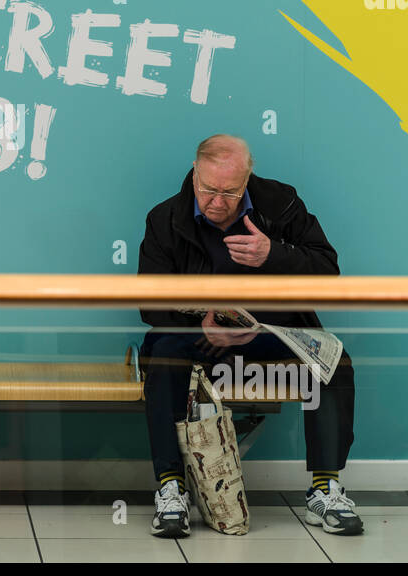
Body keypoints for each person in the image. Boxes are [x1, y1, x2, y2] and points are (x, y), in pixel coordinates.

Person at [137, 134, 362, 537]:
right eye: (208, 190)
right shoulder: (165, 219)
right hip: (201, 341)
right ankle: (172, 490)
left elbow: (328, 271)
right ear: (194, 175)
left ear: (247, 180)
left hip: (273, 335)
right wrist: (202, 321)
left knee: (333, 361)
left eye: (230, 192)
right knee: (164, 351)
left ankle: (324, 490)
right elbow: (147, 304)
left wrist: (273, 253)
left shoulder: (282, 203)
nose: (218, 202)